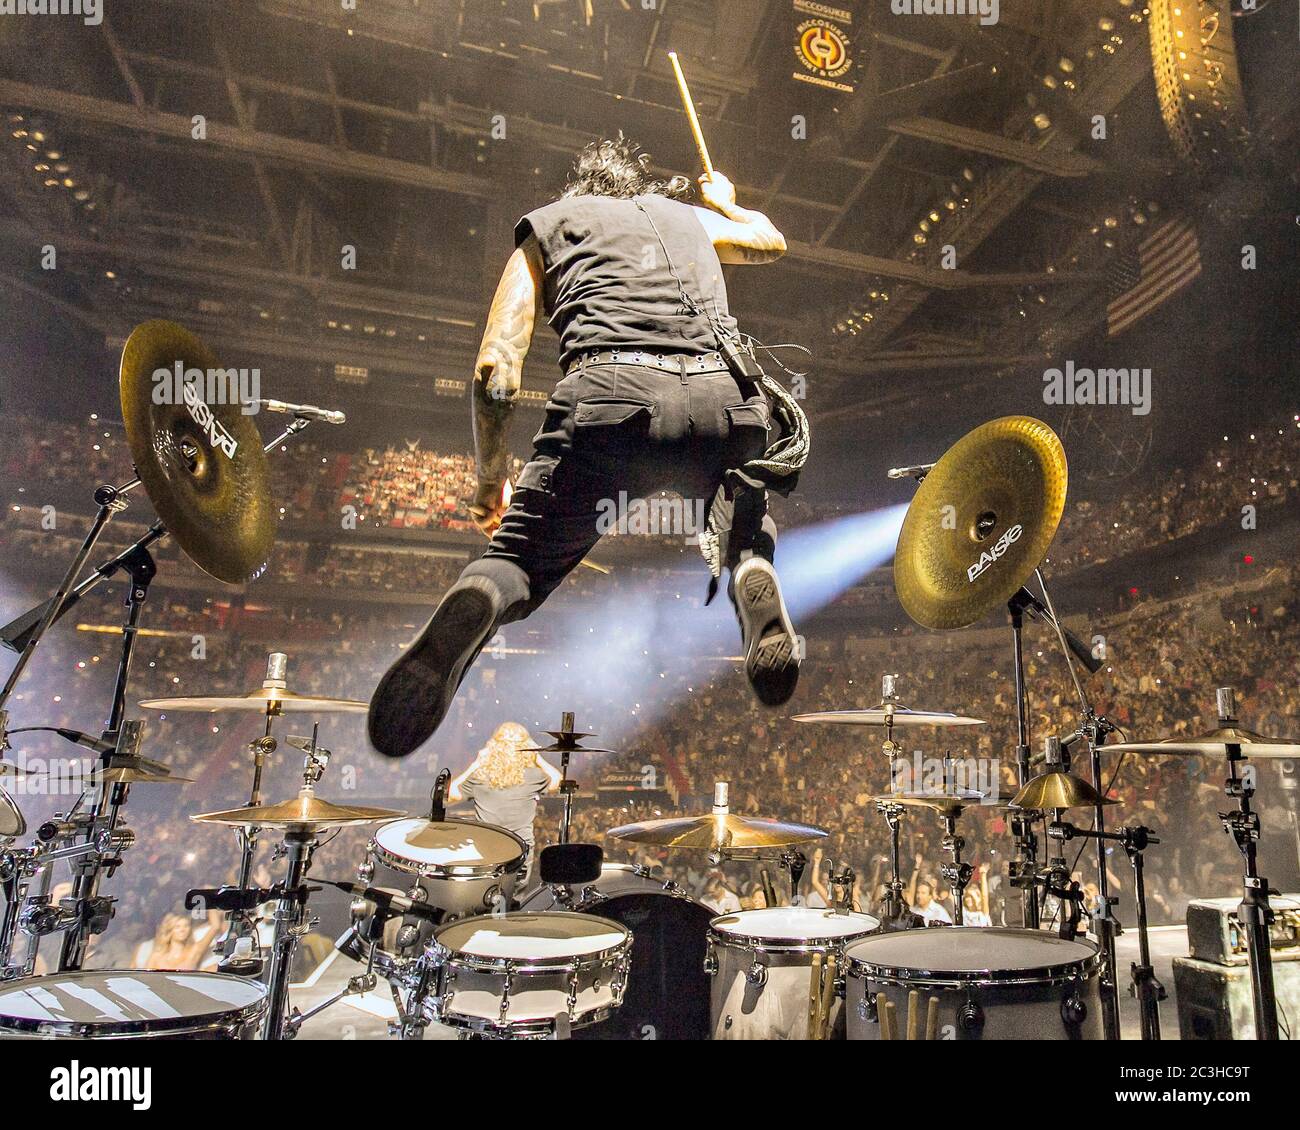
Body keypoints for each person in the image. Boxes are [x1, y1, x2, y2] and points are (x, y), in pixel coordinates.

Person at [369, 135, 806, 759]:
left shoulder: (549, 226)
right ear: (636, 189)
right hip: (726, 400)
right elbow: (770, 241)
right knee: (740, 528)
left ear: (581, 193)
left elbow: (496, 370)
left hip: (611, 404)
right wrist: (728, 203)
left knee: (515, 564)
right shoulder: (687, 219)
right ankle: (751, 567)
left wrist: (491, 476)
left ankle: (479, 598)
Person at [447, 721, 562, 887]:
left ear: (493, 746)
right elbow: (559, 782)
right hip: (520, 848)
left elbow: (448, 796)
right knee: (513, 901)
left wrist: (475, 764)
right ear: (526, 748)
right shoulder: (533, 775)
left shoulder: (480, 776)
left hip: (487, 846)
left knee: (486, 897)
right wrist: (538, 757)